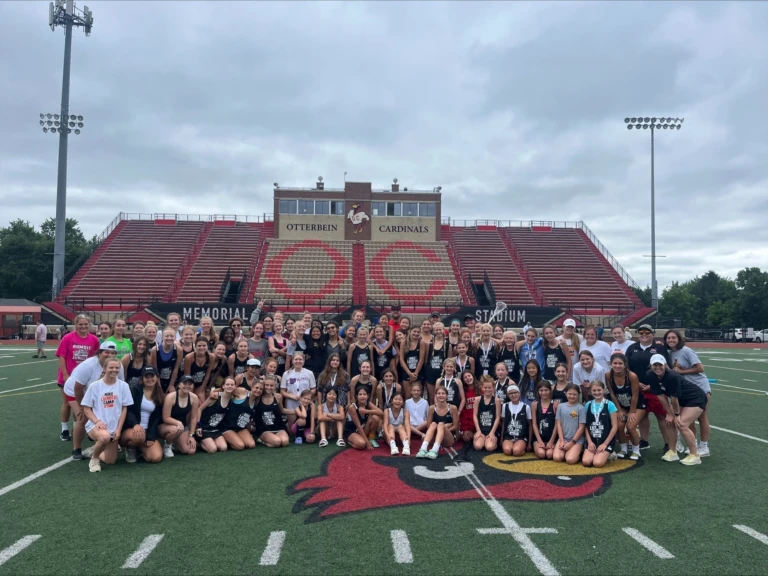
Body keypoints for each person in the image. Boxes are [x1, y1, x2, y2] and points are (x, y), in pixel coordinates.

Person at [63, 341, 125, 460]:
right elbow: (78, 387)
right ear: (100, 353)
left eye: (113, 353)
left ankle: (99, 442)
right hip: (75, 392)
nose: (109, 355)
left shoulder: (118, 365)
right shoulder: (89, 365)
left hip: (97, 393)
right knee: (83, 417)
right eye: (106, 352)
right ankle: (76, 449)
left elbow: (120, 383)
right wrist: (82, 406)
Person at [647, 354, 706, 465]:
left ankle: (695, 455)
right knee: (668, 422)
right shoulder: (650, 375)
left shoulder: (672, 376)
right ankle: (672, 451)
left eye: (660, 364)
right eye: (655, 365)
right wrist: (669, 414)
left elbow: (674, 399)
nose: (657, 367)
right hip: (681, 400)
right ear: (651, 365)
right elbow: (660, 397)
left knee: (682, 424)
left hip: (695, 398)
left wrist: (676, 415)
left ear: (665, 365)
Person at [80, 358, 133, 473]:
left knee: (110, 460)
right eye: (111, 367)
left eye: (117, 368)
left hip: (113, 428)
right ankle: (94, 460)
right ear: (104, 368)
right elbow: (86, 409)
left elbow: (124, 409)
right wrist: (97, 421)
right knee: (104, 437)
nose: (114, 370)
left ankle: (93, 451)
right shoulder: (95, 386)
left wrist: (118, 429)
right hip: (96, 425)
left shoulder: (123, 386)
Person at [665, 329, 711, 457]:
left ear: (679, 339)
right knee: (689, 421)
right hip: (686, 391)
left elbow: (700, 368)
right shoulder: (670, 353)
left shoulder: (686, 351)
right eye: (668, 338)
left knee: (702, 417)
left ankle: (704, 446)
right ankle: (694, 444)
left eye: (673, 338)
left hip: (700, 387)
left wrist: (681, 372)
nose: (671, 340)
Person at [56, 314, 99, 442]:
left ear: (89, 325)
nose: (83, 326)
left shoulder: (94, 339)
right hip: (69, 376)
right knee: (67, 403)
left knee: (82, 404)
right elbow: (61, 356)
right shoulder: (68, 338)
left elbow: (95, 358)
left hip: (84, 379)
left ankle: (77, 429)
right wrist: (65, 375)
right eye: (80, 324)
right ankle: (64, 429)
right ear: (76, 325)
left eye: (86, 324)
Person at [625, 324, 669, 450]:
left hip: (656, 388)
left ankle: (667, 443)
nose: (644, 334)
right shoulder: (632, 348)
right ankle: (644, 440)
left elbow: (666, 368)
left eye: (647, 332)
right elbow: (627, 368)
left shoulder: (659, 348)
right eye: (641, 332)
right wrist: (636, 383)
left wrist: (653, 385)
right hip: (637, 388)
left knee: (661, 416)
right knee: (643, 416)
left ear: (652, 334)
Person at [120, 366, 164, 464]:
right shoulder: (135, 390)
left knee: (155, 458)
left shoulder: (159, 393)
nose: (149, 379)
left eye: (152, 376)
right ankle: (130, 449)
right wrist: (135, 424)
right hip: (132, 428)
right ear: (142, 379)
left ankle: (140, 448)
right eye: (146, 377)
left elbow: (157, 418)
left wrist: (150, 437)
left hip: (147, 431)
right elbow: (128, 410)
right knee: (139, 436)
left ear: (157, 377)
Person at [605, 353, 644, 460]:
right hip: (621, 405)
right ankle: (623, 449)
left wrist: (632, 412)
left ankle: (636, 450)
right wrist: (618, 410)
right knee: (619, 425)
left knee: (631, 426)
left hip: (637, 405)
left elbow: (635, 395)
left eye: (620, 363)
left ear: (625, 364)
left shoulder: (632, 376)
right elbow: (612, 394)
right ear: (611, 364)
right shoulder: (608, 375)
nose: (617, 366)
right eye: (615, 363)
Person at [159, 374, 199, 457]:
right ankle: (167, 445)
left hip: (182, 427)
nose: (187, 386)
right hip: (164, 426)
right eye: (185, 383)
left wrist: (192, 435)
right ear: (179, 385)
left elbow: (194, 418)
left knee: (190, 450)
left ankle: (175, 441)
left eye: (190, 384)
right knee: (175, 429)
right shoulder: (171, 397)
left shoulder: (194, 398)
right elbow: (165, 417)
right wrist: (178, 423)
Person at [416, 385, 459, 458]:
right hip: (435, 435)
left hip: (448, 438)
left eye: (443, 393)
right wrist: (440, 428)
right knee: (433, 424)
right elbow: (428, 425)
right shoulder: (432, 408)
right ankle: (423, 449)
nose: (441, 395)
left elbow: (455, 426)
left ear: (447, 396)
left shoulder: (453, 408)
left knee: (441, 424)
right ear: (435, 396)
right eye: (439, 393)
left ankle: (434, 450)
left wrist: (443, 428)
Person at [582, 381, 619, 468]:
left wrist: (605, 444)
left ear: (604, 390)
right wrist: (590, 442)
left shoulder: (610, 405)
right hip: (592, 440)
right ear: (590, 392)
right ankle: (595, 453)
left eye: (599, 390)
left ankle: (609, 453)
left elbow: (615, 426)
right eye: (594, 390)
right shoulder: (588, 404)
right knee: (586, 462)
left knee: (597, 463)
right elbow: (585, 426)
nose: (597, 392)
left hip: (605, 441)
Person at [197, 377, 236, 453]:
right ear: (223, 386)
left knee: (223, 448)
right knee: (212, 449)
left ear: (235, 387)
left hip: (215, 428)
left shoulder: (231, 398)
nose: (230, 386)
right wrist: (198, 426)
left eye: (232, 384)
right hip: (204, 427)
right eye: (227, 384)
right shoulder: (215, 396)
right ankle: (198, 440)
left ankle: (209, 441)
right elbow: (199, 409)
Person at [221, 379, 260, 451]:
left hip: (240, 428)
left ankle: (234, 438)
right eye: (256, 388)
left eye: (261, 389)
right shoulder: (242, 391)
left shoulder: (256, 402)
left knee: (251, 445)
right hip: (227, 427)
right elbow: (228, 390)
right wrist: (214, 392)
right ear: (252, 387)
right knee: (240, 446)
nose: (258, 390)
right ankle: (225, 439)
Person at [253, 374, 290, 448]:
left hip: (278, 427)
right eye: (267, 385)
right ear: (264, 385)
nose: (269, 387)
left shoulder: (278, 397)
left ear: (275, 386)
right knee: (277, 442)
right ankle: (260, 439)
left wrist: (296, 411)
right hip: (264, 429)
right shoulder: (258, 397)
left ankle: (271, 439)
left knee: (285, 442)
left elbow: (282, 410)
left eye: (271, 385)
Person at [281, 352, 317, 428]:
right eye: (296, 359)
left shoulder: (309, 373)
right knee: (293, 429)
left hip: (306, 402)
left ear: (303, 361)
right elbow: (282, 391)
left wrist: (306, 397)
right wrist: (292, 396)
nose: (298, 361)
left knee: (303, 423)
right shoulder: (286, 374)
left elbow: (313, 389)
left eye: (300, 359)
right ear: (292, 361)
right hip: (292, 402)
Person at [553, 384, 586, 464]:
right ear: (565, 393)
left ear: (578, 395)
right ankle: (568, 451)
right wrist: (561, 440)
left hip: (576, 440)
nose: (572, 396)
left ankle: (579, 451)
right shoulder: (561, 406)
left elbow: (581, 428)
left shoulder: (581, 408)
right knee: (557, 458)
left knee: (570, 460)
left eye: (574, 394)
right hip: (563, 438)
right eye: (570, 394)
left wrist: (572, 443)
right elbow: (559, 425)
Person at [501, 385, 532, 456]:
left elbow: (530, 425)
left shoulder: (526, 407)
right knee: (507, 451)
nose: (513, 395)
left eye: (515, 392)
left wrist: (529, 442)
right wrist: (502, 439)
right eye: (510, 393)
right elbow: (503, 423)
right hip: (508, 436)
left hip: (521, 437)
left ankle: (522, 448)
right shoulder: (505, 406)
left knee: (516, 452)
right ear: (508, 395)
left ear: (519, 393)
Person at [473, 375, 501, 452]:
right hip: (481, 429)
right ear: (481, 387)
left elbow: (498, 417)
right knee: (478, 446)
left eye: (489, 387)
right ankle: (483, 439)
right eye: (485, 387)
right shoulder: (477, 399)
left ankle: (492, 440)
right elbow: (474, 415)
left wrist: (492, 432)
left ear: (493, 388)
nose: (487, 389)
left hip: (491, 429)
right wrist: (478, 430)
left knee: (489, 447)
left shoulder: (497, 400)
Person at [151, 328, 182, 395]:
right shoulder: (155, 350)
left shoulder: (179, 349)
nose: (169, 338)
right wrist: (158, 385)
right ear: (162, 337)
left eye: (172, 336)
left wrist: (171, 385)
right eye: (167, 336)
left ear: (175, 337)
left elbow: (176, 369)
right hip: (158, 380)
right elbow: (155, 369)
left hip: (172, 380)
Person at [184, 337, 215, 403]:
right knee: (194, 402)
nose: (202, 348)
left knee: (202, 403)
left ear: (207, 346)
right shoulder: (189, 357)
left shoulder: (211, 357)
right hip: (189, 384)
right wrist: (190, 390)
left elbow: (207, 375)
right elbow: (187, 377)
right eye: (199, 346)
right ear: (195, 346)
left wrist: (202, 390)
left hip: (201, 385)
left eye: (204, 345)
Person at [532, 381, 556, 460]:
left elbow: (557, 425)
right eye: (541, 390)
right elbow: (534, 424)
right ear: (538, 391)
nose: (543, 393)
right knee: (541, 454)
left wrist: (551, 441)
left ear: (550, 390)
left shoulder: (555, 404)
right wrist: (539, 441)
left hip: (551, 438)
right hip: (539, 438)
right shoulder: (535, 404)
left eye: (546, 390)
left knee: (549, 455)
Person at [399, 326, 424, 399]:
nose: (416, 333)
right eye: (414, 331)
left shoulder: (421, 342)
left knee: (418, 395)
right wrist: (409, 373)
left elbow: (421, 360)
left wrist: (415, 374)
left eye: (418, 332)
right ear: (409, 332)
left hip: (418, 372)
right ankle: (407, 410)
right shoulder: (404, 342)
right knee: (408, 395)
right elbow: (401, 359)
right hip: (406, 371)